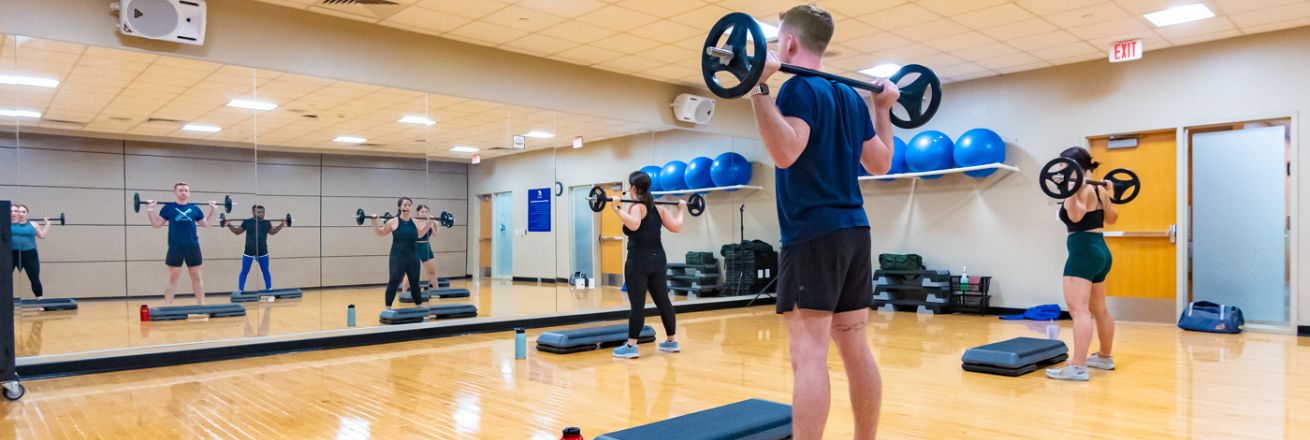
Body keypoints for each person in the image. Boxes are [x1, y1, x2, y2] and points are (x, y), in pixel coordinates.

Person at [748, 5, 897, 439]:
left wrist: (760, 89)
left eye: (778, 39)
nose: (777, 45)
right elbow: (882, 162)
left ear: (790, 43)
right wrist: (881, 108)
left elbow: (785, 152)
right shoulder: (850, 97)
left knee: (809, 355)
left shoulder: (797, 90)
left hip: (813, 234)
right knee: (855, 350)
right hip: (855, 231)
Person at [1046, 147, 1119, 381]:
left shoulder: (1083, 189)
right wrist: (1111, 193)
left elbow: (1076, 217)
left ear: (1071, 166)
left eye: (1062, 165)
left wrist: (1070, 191)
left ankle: (1077, 366)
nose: (1059, 170)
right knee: (1100, 309)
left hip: (1083, 252)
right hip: (1101, 251)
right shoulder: (1098, 190)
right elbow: (1112, 218)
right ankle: (1104, 356)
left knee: (1079, 311)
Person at [610, 171, 686, 359]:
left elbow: (634, 225)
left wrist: (617, 209)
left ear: (634, 188)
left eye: (629, 185)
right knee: (663, 301)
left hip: (638, 261)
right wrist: (682, 210)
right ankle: (671, 341)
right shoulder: (659, 207)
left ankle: (631, 346)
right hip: (658, 259)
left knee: (637, 304)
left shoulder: (637, 207)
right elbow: (677, 226)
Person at [145, 182, 218, 306]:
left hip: (192, 246)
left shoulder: (195, 209)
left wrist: (214, 209)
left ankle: (201, 305)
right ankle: (168, 306)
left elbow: (207, 224)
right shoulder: (168, 208)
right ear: (175, 192)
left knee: (196, 276)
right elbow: (156, 225)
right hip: (175, 246)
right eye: (180, 190)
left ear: (189, 193)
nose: (183, 192)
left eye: (185, 190)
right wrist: (151, 209)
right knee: (173, 276)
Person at [372, 197, 434, 309]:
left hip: (413, 256)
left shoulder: (415, 221)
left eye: (409, 205)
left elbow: (419, 235)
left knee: (415, 282)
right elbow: (380, 233)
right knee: (394, 281)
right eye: (405, 205)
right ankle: (388, 308)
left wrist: (429, 224)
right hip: (397, 257)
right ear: (400, 207)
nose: (407, 207)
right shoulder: (393, 221)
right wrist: (374, 222)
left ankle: (419, 306)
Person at [225, 205, 285, 294]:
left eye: (263, 212)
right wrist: (229, 225)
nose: (261, 214)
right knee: (244, 271)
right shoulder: (247, 222)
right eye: (259, 212)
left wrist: (282, 224)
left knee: (265, 271)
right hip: (248, 251)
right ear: (253, 213)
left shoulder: (266, 223)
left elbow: (273, 232)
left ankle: (269, 290)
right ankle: (240, 290)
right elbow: (237, 232)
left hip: (263, 251)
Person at [10, 204, 52, 298]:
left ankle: (40, 301)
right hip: (11, 255)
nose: (20, 213)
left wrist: (47, 224)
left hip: (30, 255)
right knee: (4, 279)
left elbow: (42, 236)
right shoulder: (6, 224)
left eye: (23, 211)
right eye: (18, 211)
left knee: (34, 278)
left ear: (27, 213)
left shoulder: (33, 224)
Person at [399, 205, 439, 294]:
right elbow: (420, 234)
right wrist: (429, 224)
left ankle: (437, 291)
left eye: (426, 212)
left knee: (432, 271)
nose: (424, 213)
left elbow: (436, 234)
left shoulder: (430, 222)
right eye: (422, 212)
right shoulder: (414, 222)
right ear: (418, 213)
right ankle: (404, 293)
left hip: (427, 247)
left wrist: (436, 225)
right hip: (416, 247)